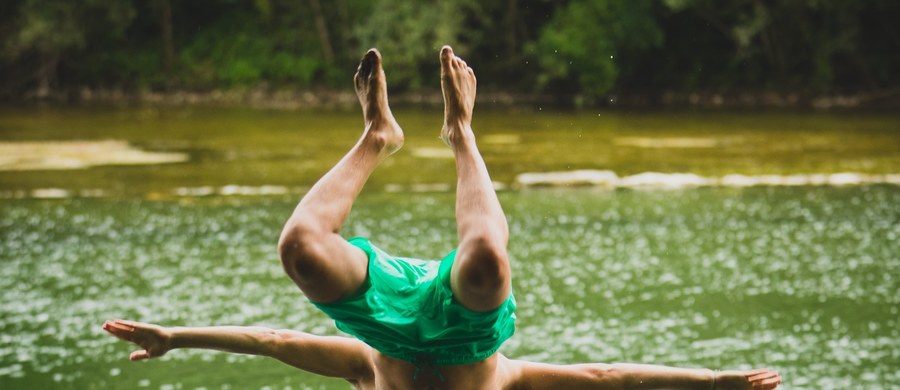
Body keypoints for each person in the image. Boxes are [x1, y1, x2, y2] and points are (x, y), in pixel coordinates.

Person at [103, 46, 782, 390]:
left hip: (385, 315)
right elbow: (607, 379)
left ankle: (378, 135)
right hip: (467, 323)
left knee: (301, 249)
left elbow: (271, 340)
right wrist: (710, 381)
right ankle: (461, 131)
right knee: (485, 255)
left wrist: (174, 335)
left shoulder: (366, 375)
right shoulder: (508, 386)